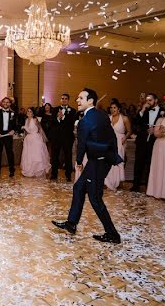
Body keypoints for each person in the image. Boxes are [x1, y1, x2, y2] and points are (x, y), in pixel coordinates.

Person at [52, 88, 121, 244]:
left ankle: (113, 234)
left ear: (90, 101)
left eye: (80, 98)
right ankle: (71, 224)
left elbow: (82, 144)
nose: (77, 100)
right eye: (77, 98)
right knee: (78, 188)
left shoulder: (85, 120)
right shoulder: (102, 115)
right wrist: (110, 154)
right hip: (101, 159)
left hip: (97, 162)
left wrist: (78, 162)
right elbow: (112, 137)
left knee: (95, 198)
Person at [130, 93, 162, 192]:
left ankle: (150, 186)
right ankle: (136, 185)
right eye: (147, 100)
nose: (148, 102)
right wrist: (142, 110)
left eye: (150, 100)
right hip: (142, 141)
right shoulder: (144, 111)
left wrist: (156, 130)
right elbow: (135, 123)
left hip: (155, 141)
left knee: (151, 164)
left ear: (156, 100)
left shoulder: (163, 111)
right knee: (138, 163)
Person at [50, 93, 78, 181]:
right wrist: (58, 118)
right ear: (60, 99)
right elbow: (52, 122)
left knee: (68, 156)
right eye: (62, 98)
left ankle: (68, 175)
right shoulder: (54, 110)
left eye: (66, 98)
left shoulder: (73, 111)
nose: (64, 100)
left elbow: (72, 122)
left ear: (68, 100)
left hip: (67, 138)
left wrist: (64, 118)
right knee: (54, 156)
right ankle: (54, 174)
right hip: (56, 137)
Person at [105, 100, 130, 191]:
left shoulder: (124, 118)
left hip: (120, 141)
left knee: (118, 161)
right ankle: (109, 181)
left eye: (114, 107)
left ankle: (117, 181)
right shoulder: (108, 118)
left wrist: (125, 138)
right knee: (109, 161)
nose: (112, 109)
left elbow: (129, 131)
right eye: (111, 108)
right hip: (110, 142)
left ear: (118, 109)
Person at [20, 106, 50, 178]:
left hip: (36, 139)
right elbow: (27, 131)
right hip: (28, 139)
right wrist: (24, 137)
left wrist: (43, 139)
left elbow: (40, 130)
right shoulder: (26, 119)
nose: (29, 113)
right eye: (28, 111)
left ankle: (37, 170)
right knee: (28, 155)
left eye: (30, 111)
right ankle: (30, 170)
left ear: (33, 113)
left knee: (36, 155)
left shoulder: (35, 120)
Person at [0, 97, 17, 177]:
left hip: (8, 135)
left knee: (10, 153)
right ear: (2, 103)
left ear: (10, 104)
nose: (6, 103)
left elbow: (16, 125)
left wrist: (13, 130)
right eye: (4, 102)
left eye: (7, 102)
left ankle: (12, 170)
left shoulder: (13, 113)